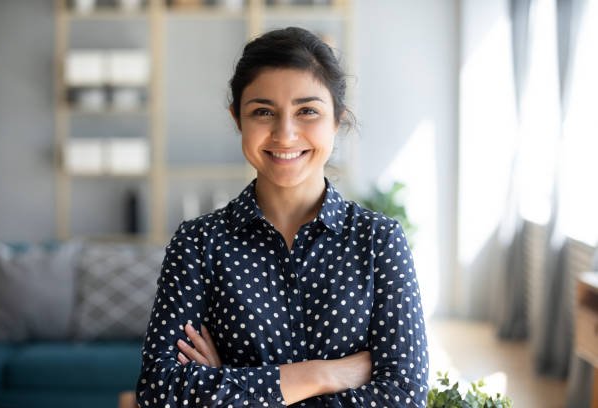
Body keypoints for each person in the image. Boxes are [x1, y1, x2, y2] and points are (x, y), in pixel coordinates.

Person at [136, 26, 428, 407]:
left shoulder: (379, 241)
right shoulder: (197, 244)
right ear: (237, 119)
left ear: (337, 119)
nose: (285, 134)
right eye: (263, 112)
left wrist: (230, 384)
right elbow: (160, 393)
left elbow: (404, 396)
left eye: (307, 111)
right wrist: (326, 374)